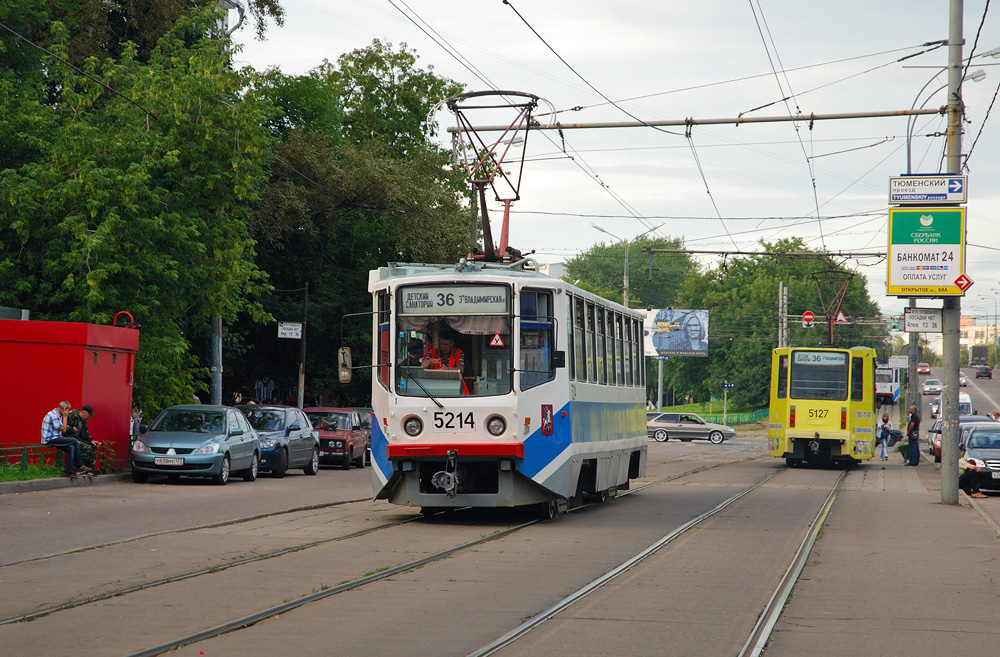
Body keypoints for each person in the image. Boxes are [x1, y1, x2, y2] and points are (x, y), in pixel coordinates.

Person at [41, 401, 86, 479]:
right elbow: (64, 429)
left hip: (56, 437)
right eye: (68, 410)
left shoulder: (57, 415)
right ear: (64, 408)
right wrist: (65, 417)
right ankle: (80, 465)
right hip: (50, 438)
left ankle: (68, 472)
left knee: (71, 447)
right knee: (74, 441)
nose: (68, 412)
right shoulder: (53, 415)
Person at [65, 404, 98, 476]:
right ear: (83, 413)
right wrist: (72, 429)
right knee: (86, 448)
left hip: (78, 439)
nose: (88, 418)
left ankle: (90, 470)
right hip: (69, 438)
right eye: (88, 416)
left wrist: (91, 440)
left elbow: (85, 433)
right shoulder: (72, 415)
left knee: (94, 447)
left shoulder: (83, 420)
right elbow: (63, 427)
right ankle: (79, 468)